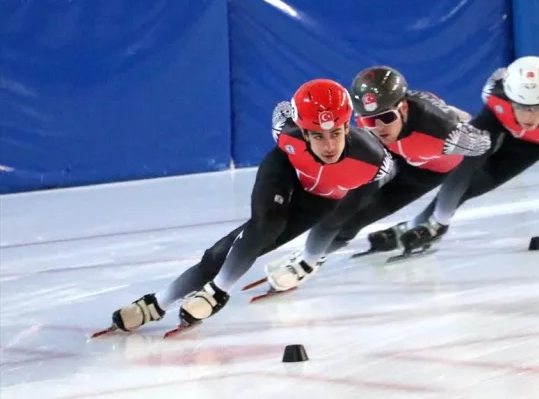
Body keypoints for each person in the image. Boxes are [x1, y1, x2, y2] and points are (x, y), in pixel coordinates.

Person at [102, 78, 395, 334]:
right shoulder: (286, 131)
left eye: (335, 134)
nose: (328, 146)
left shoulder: (374, 162)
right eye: (317, 135)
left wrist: (322, 244)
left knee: (235, 251)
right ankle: (176, 300)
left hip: (322, 198)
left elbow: (356, 202)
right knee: (264, 226)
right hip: (286, 170)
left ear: (347, 126)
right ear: (303, 132)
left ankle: (181, 297)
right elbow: (283, 111)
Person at [398, 56, 539, 253]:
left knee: (476, 184)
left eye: (536, 108)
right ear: (510, 99)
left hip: (531, 147)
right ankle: (435, 223)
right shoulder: (494, 93)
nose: (528, 116)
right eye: (520, 106)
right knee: (462, 165)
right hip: (496, 122)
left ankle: (423, 224)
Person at [317, 66, 492, 257]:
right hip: (395, 157)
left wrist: (439, 220)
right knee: (344, 208)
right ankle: (309, 257)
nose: (380, 126)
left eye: (387, 117)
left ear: (404, 109)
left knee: (361, 217)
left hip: (427, 171)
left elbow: (482, 143)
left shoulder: (441, 130)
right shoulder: (367, 126)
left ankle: (424, 223)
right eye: (370, 121)